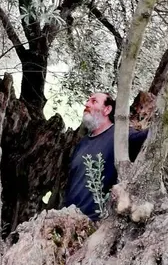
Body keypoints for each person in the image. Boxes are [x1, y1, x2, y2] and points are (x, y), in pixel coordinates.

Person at [63, 92, 148, 220]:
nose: (87, 104)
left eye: (94, 101)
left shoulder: (119, 135)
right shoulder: (82, 143)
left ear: (107, 109)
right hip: (67, 218)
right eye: (88, 100)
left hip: (95, 222)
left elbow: (146, 137)